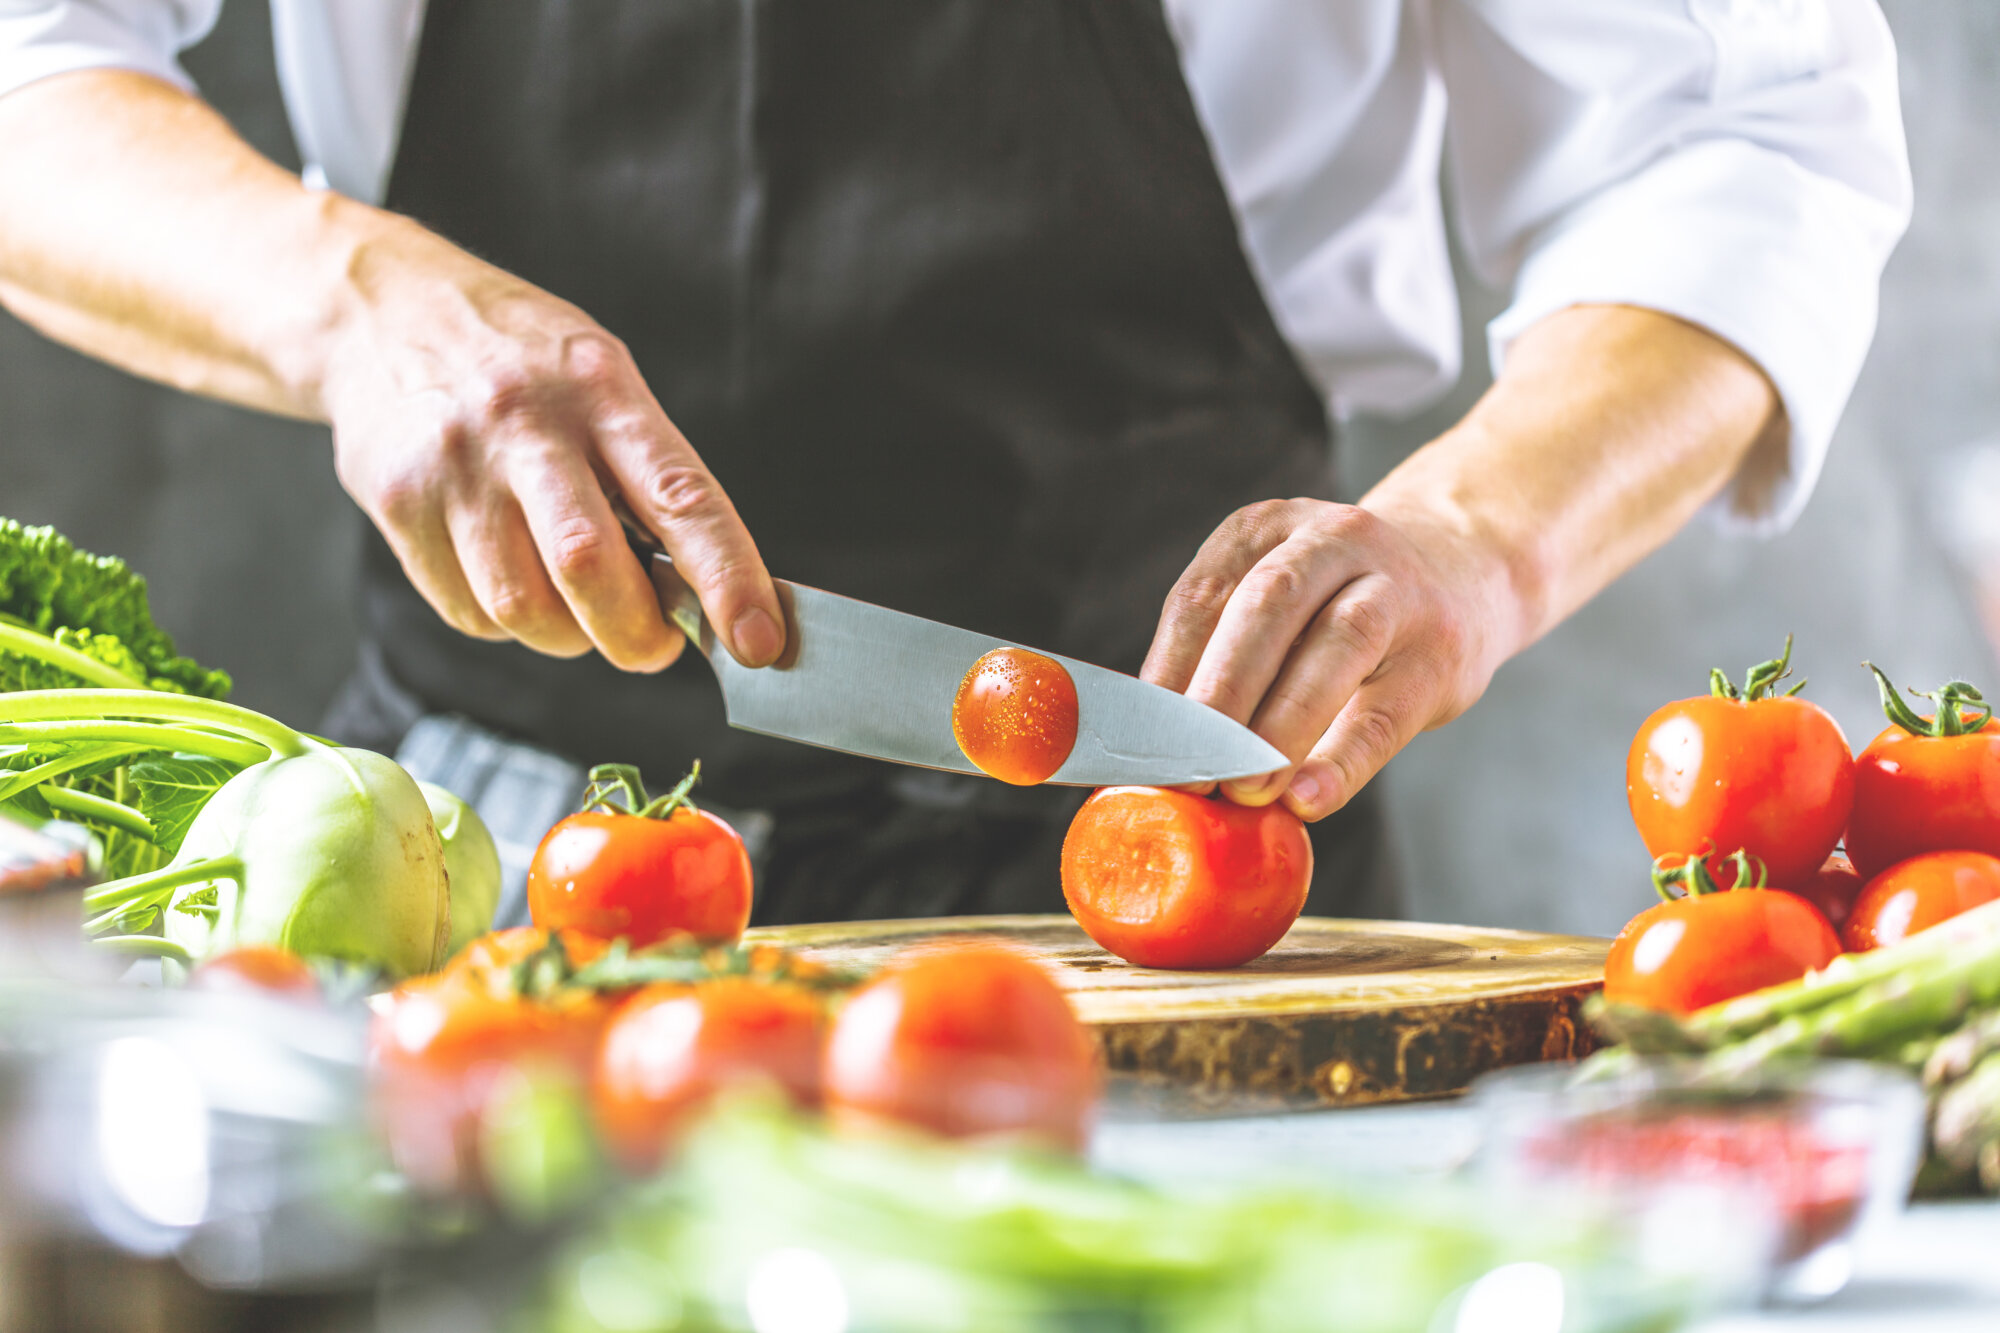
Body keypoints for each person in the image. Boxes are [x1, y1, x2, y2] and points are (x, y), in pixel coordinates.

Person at [0, 1, 1910, 927]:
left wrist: (1480, 536)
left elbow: (1744, 138)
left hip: (1202, 885)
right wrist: (352, 301)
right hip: (495, 881)